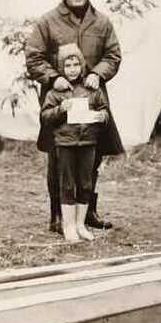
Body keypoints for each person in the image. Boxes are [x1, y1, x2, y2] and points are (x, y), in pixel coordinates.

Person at [25, 0, 124, 234]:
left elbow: (112, 56)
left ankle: (87, 212)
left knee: (92, 156)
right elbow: (34, 57)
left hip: (92, 99)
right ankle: (58, 215)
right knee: (60, 157)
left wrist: (97, 74)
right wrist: (53, 78)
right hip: (60, 102)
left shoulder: (102, 22)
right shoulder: (48, 22)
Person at [41, 44, 109, 241]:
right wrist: (61, 109)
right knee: (67, 184)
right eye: (68, 65)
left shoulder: (91, 89)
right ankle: (68, 225)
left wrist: (100, 116)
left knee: (86, 183)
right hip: (65, 144)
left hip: (88, 142)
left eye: (76, 64)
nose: (73, 69)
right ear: (61, 68)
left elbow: (105, 112)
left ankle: (80, 225)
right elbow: (45, 117)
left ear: (82, 65)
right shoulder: (55, 92)